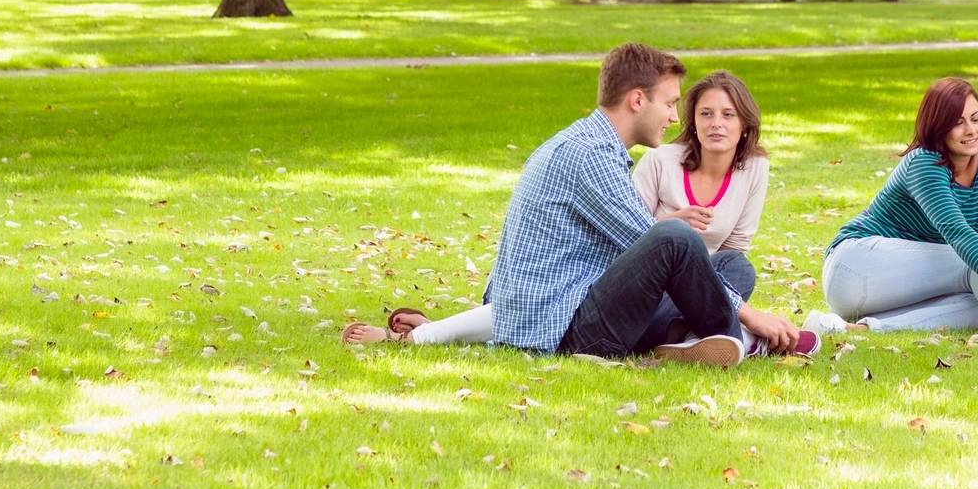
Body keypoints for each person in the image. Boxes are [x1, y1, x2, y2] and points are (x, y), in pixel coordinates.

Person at [344, 43, 809, 365]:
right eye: (669, 104)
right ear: (636, 100)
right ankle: (741, 340)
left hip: (574, 298)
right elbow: (651, 241)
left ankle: (693, 340)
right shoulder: (589, 156)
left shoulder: (596, 146)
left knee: (732, 266)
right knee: (675, 237)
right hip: (570, 326)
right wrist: (753, 315)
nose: (674, 116)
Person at [804, 78, 978, 334]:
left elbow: (977, 238)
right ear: (938, 127)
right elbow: (958, 232)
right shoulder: (923, 164)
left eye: (975, 118)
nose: (971, 130)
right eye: (957, 123)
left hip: (899, 286)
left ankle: (852, 329)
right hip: (854, 265)